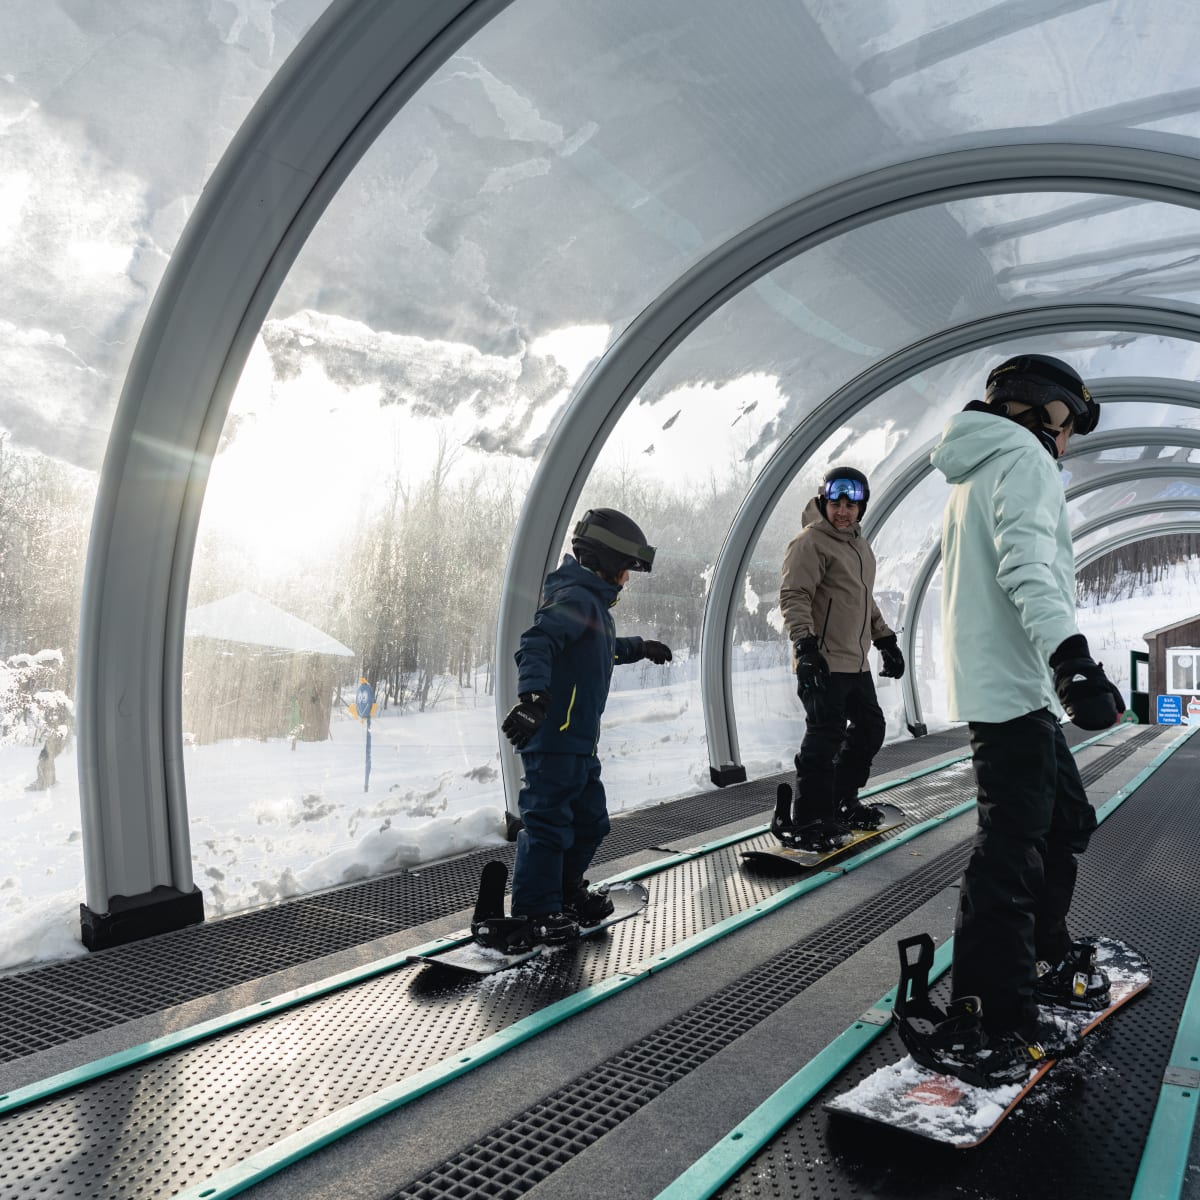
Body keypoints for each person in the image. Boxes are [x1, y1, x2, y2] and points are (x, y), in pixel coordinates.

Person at [901, 353, 1125, 1086]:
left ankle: (1040, 951)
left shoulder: (980, 468)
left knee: (1065, 821)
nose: (1063, 445)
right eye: (1062, 427)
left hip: (1013, 688)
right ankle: (993, 1010)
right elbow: (1027, 565)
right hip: (1014, 691)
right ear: (1033, 411)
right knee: (1012, 850)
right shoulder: (1021, 461)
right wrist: (1075, 661)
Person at [497, 507, 673, 946]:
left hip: (578, 743)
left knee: (592, 822)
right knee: (548, 824)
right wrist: (533, 698)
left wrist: (640, 647)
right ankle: (536, 908)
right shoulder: (575, 598)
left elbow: (599, 649)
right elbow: (537, 644)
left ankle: (563, 891)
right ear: (607, 562)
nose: (627, 580)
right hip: (553, 739)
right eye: (626, 570)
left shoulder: (593, 605)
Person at [778, 466, 905, 852]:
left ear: (861, 508)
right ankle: (810, 818)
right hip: (823, 661)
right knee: (824, 738)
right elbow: (794, 596)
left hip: (856, 661)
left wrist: (885, 640)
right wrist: (805, 646)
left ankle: (840, 799)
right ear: (824, 501)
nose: (843, 511)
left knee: (870, 729)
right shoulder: (810, 543)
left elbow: (862, 600)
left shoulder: (859, 545)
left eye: (851, 504)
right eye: (836, 502)